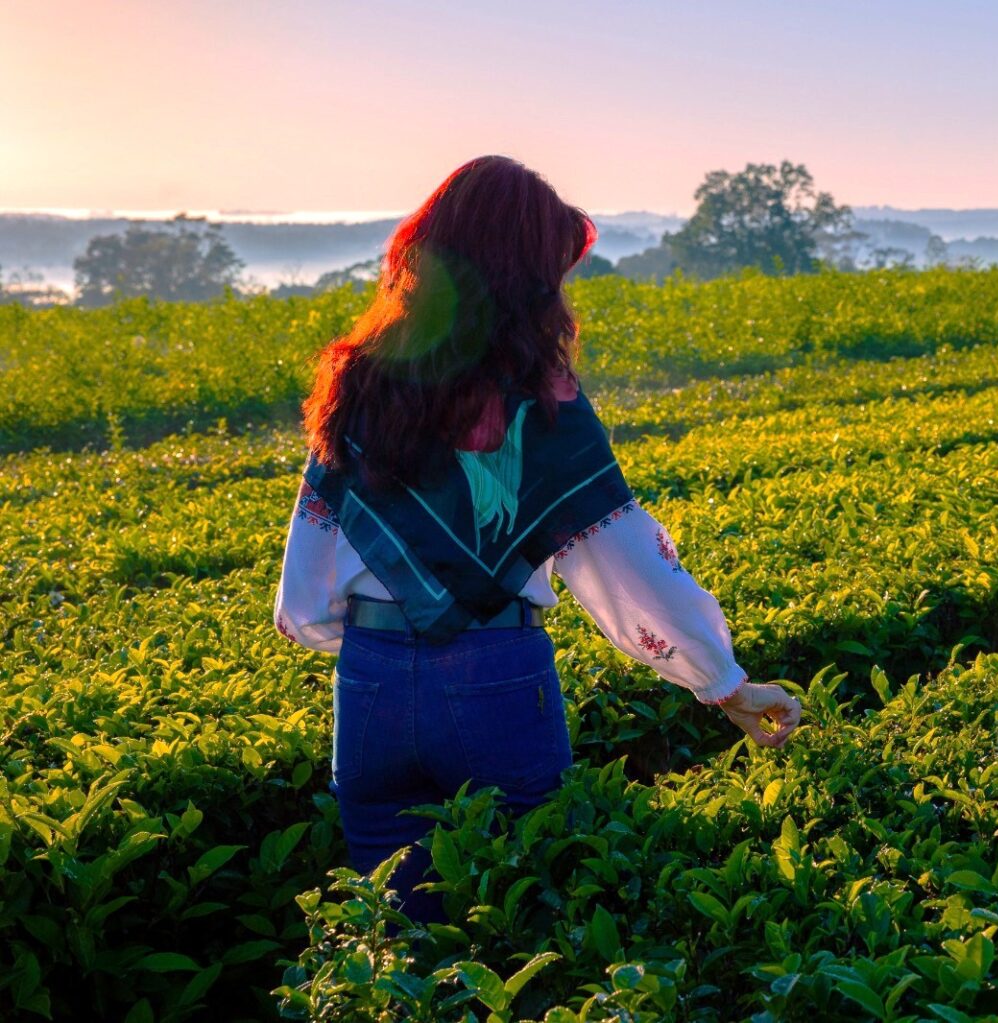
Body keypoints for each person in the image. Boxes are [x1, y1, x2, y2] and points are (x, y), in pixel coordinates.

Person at [272, 154, 801, 922]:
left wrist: (377, 640)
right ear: (525, 278)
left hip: (371, 685)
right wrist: (720, 678)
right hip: (494, 673)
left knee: (399, 939)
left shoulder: (360, 382)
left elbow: (307, 587)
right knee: (522, 916)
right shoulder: (543, 405)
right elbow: (625, 567)